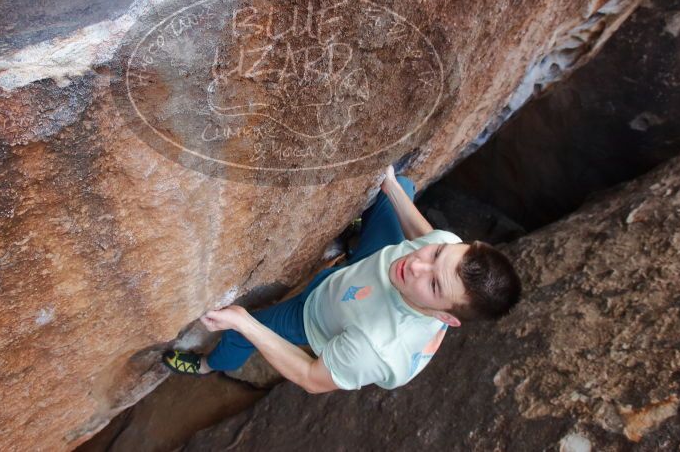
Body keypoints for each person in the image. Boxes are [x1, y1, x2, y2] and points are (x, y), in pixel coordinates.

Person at [162, 165, 522, 393]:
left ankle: (209, 365)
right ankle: (357, 237)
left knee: (240, 335)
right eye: (436, 257)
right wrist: (392, 187)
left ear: (446, 318)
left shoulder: (375, 349)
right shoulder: (445, 250)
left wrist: (245, 322)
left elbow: (310, 377)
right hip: (370, 269)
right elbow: (426, 238)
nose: (416, 266)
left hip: (318, 316)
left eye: (434, 285)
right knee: (404, 187)